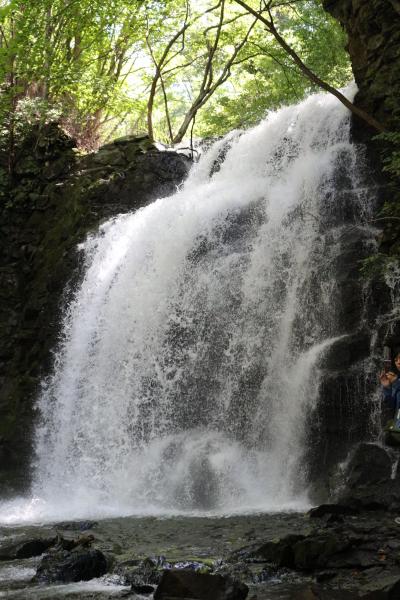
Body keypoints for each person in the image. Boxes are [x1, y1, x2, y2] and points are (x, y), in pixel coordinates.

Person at [380, 350, 400, 445]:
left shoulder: (397, 381)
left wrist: (396, 382)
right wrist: (387, 387)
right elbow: (392, 406)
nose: (398, 362)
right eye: (396, 359)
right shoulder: (397, 379)